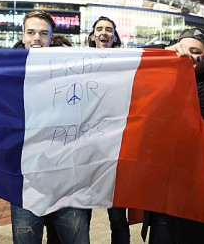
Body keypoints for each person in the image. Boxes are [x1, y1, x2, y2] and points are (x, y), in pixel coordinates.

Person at [146, 28, 204, 243]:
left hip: (194, 195)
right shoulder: (180, 84)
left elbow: (187, 136)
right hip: (167, 192)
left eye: (194, 51)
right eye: (181, 50)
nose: (186, 55)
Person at [10, 10, 90, 244]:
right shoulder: (5, 71)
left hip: (67, 178)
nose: (37, 38)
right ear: (23, 36)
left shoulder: (71, 70)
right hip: (26, 182)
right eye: (31, 32)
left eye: (43, 33)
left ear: (51, 38)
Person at [87, 17, 129, 244]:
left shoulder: (124, 63)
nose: (104, 33)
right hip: (85, 150)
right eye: (99, 29)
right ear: (93, 36)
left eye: (109, 30)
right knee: (80, 214)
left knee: (117, 217)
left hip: (114, 152)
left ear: (114, 37)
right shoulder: (79, 62)